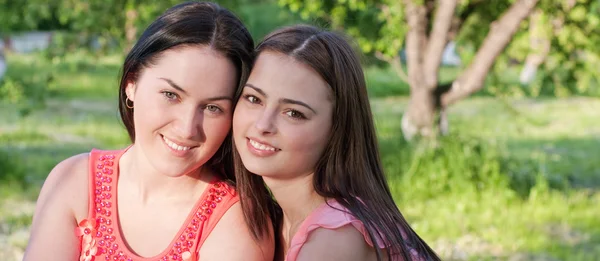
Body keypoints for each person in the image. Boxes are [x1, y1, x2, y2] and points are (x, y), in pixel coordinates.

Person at [24, 2, 274, 261]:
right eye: (171, 95)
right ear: (131, 83)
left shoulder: (237, 221)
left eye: (212, 108)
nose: (187, 128)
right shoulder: (74, 183)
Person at [232, 25, 441, 261]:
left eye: (293, 113)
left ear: (337, 128)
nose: (262, 125)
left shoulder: (333, 238)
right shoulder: (279, 220)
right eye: (253, 98)